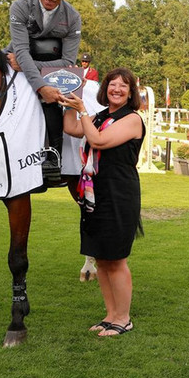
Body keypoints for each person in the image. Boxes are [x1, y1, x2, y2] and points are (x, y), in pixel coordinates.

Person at [62, 67, 145, 337]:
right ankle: (110, 315)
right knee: (101, 258)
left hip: (119, 194)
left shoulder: (132, 119)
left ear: (131, 92)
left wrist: (82, 108)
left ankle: (124, 318)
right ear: (105, 88)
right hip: (93, 194)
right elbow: (72, 127)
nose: (117, 89)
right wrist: (70, 95)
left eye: (123, 85)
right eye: (112, 84)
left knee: (117, 259)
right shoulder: (100, 117)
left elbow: (96, 140)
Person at [5, 0, 82, 186]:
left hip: (49, 68)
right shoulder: (20, 6)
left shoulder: (73, 17)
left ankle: (53, 157)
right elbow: (19, 52)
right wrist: (41, 87)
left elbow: (68, 61)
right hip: (15, 60)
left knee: (55, 101)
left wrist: (41, 79)